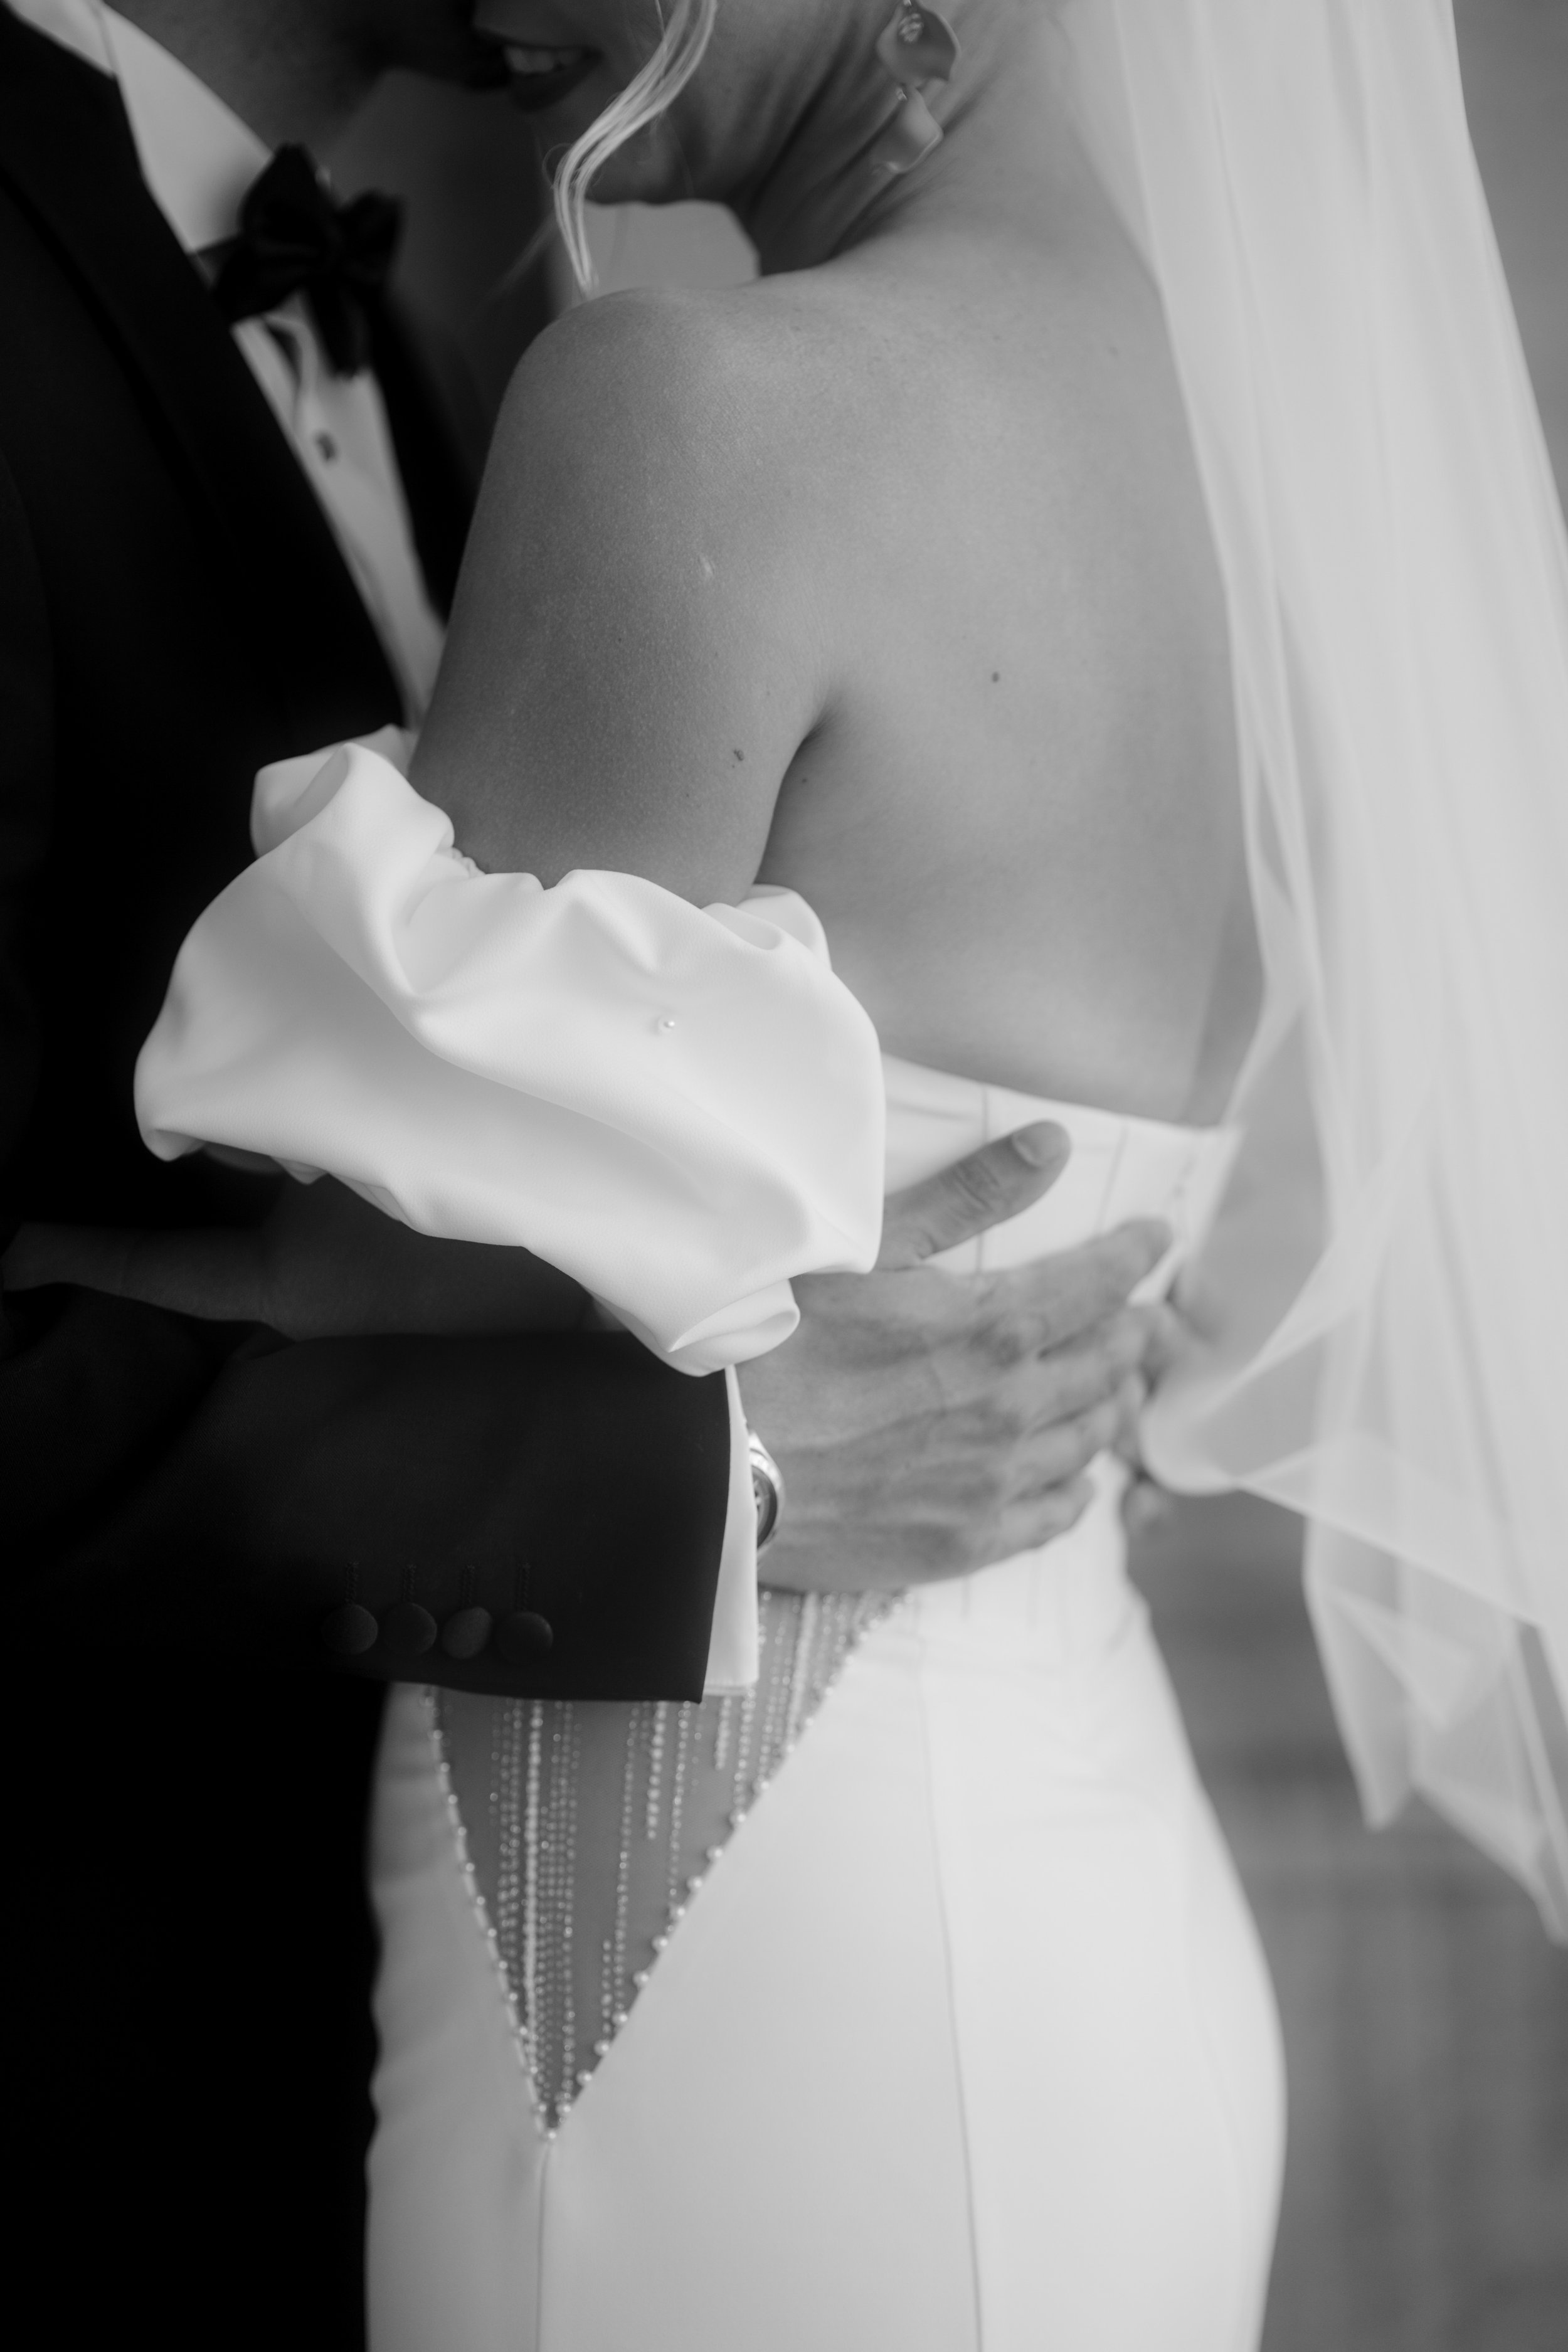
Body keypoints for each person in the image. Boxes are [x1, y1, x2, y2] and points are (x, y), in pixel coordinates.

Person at [130, 0, 1568, 2344]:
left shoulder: (689, 412)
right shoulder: (1253, 480)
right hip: (1063, 1892)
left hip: (707, 1973)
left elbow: (339, 1309)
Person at [0, 3, 1172, 2341]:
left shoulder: (642, 399)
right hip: (1027, 1881)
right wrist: (699, 1471)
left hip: (706, 1947)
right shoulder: (1142, 452)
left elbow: (383, 1254)